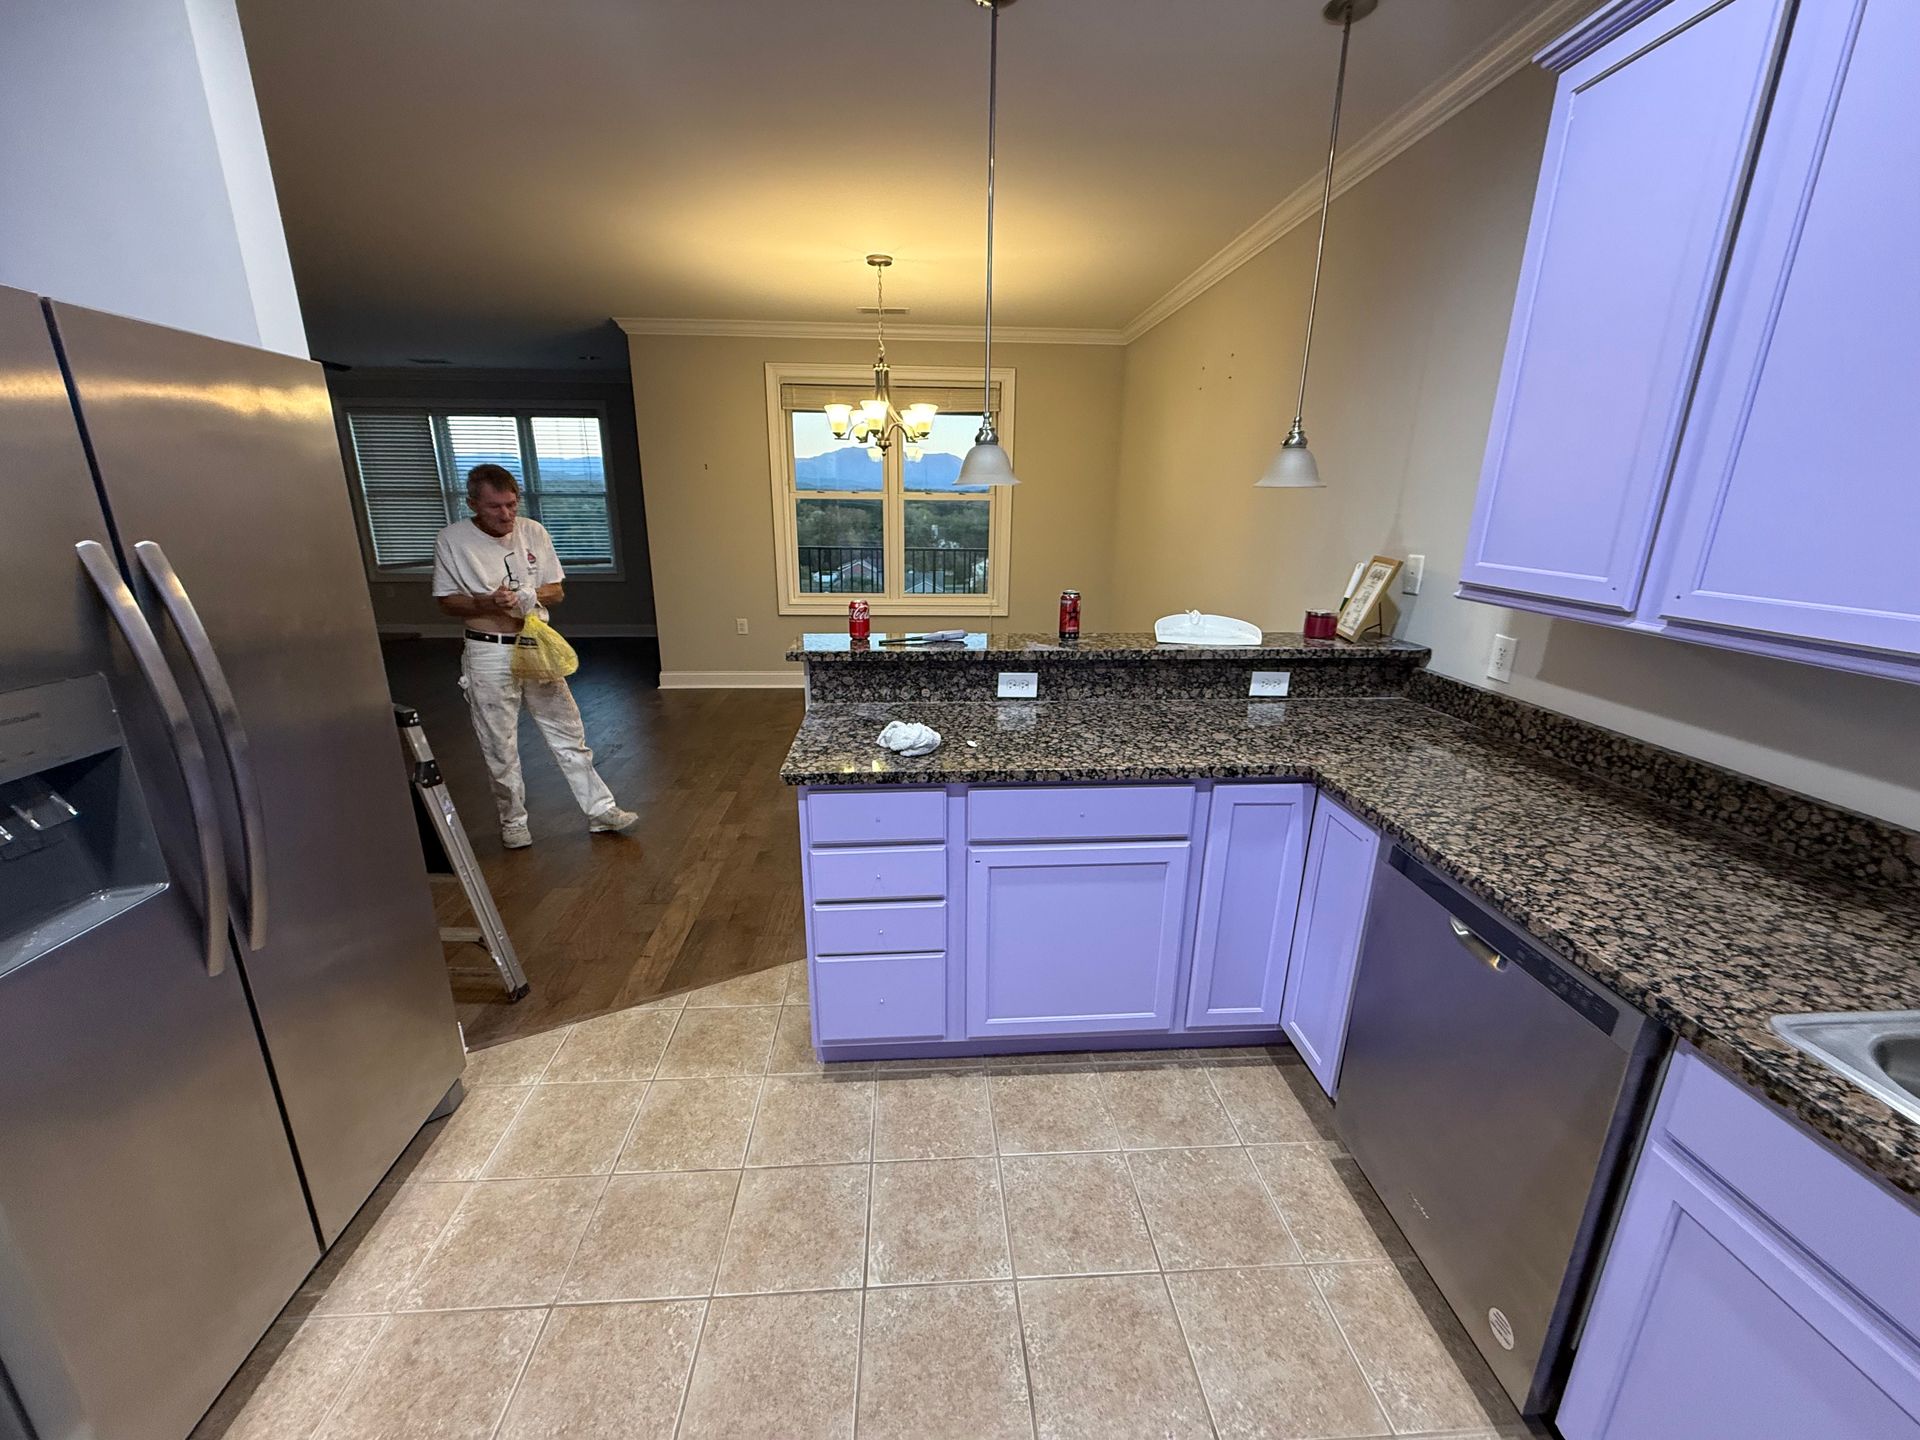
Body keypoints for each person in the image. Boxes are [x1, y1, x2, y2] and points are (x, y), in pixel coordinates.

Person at [431, 463, 637, 849]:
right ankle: (513, 821)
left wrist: (528, 595)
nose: (506, 514)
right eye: (495, 507)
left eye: (511, 504)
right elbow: (446, 601)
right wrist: (486, 602)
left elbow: (555, 590)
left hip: (535, 643)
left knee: (568, 731)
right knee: (499, 742)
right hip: (487, 650)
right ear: (474, 503)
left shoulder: (533, 532)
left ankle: (600, 810)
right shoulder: (452, 540)